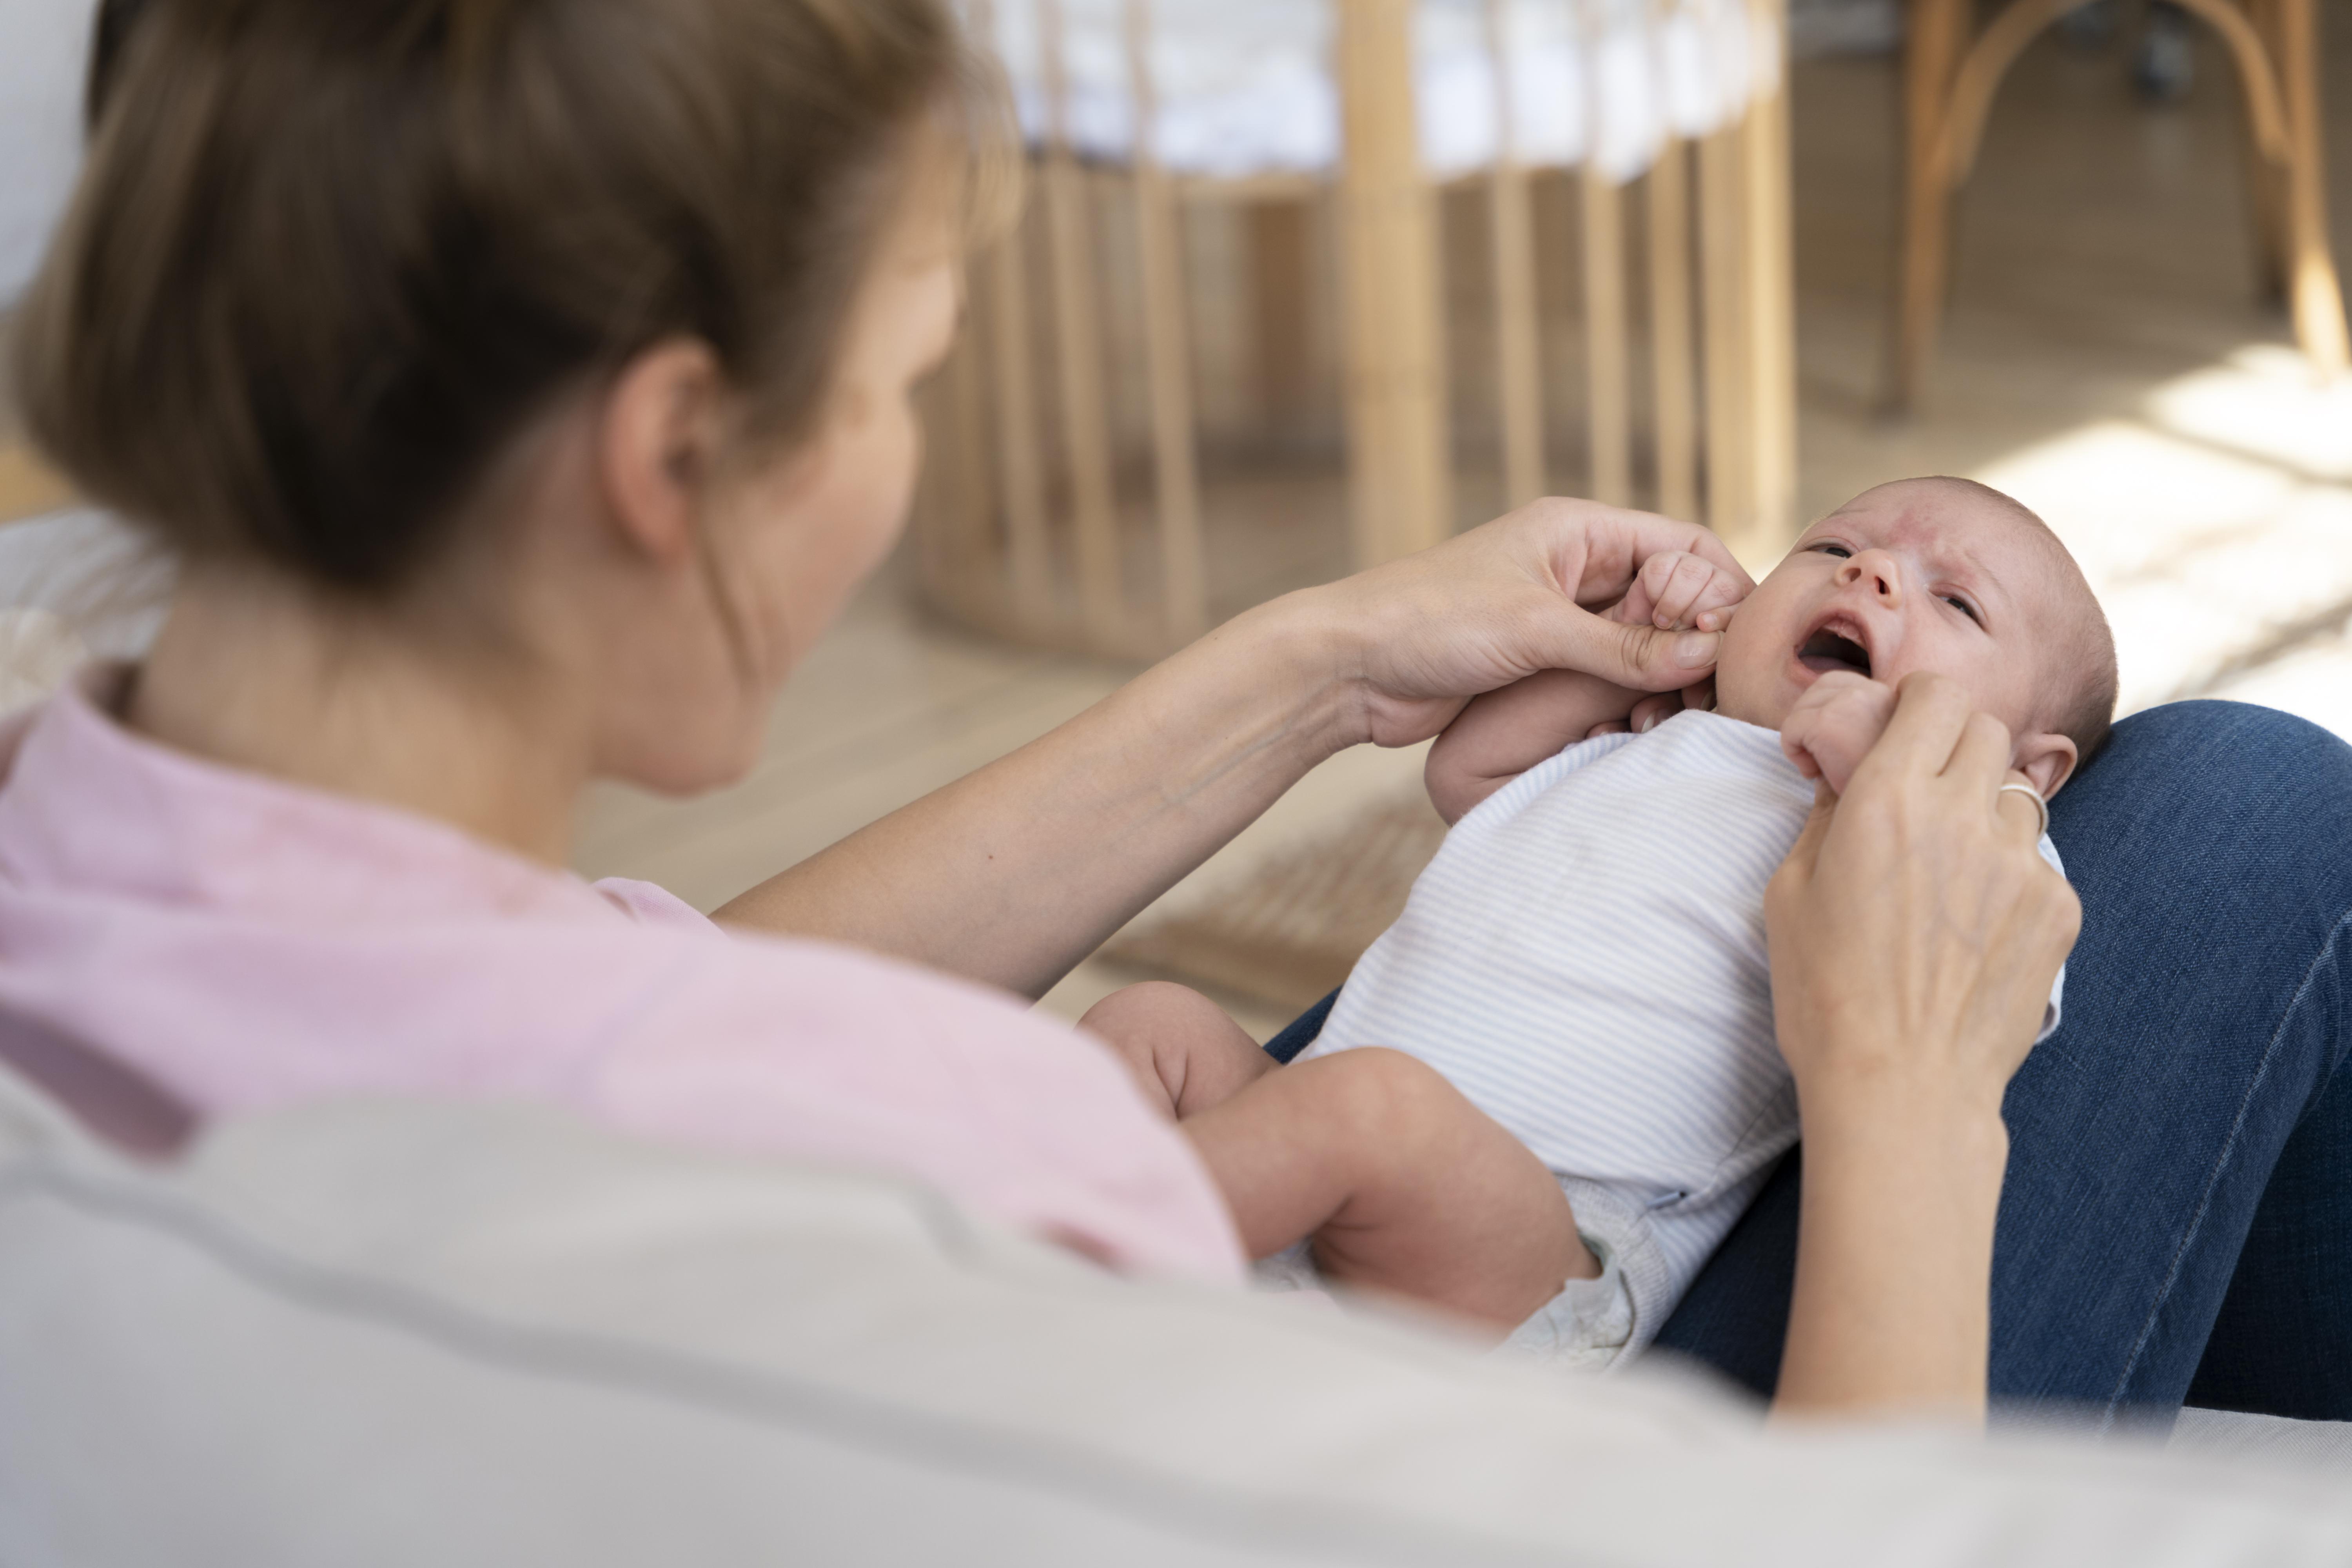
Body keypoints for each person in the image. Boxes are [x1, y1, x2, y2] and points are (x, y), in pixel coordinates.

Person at [0, 0, 2339, 1436]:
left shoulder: (77, 878)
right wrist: (1908, 1086)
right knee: (2241, 811)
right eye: (908, 380)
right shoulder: (963, 1183)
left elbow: (616, 1005)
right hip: (1486, 1358)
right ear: (670, 457)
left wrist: (1323, 658)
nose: (900, 466)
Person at [1080, 478, 2103, 1363]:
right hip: (1323, 1131)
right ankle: (1125, 1245)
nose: (1869, 572)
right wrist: (1630, 652)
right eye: (1832, 549)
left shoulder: (1969, 846)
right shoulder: (1658, 740)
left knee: (1370, 1106)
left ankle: (1058, 1268)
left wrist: (1872, 757)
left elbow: (1988, 997)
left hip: (1546, 1242)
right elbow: (1468, 772)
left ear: (2031, 766)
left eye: (1956, 600)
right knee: (1154, 1024)